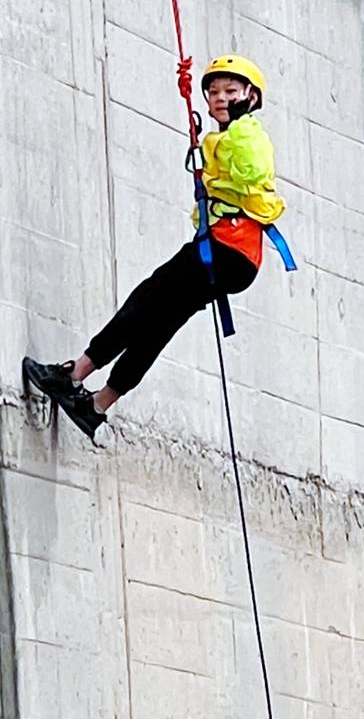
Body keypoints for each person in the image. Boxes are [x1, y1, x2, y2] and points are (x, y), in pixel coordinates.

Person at [26, 57, 284, 440]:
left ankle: (75, 373)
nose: (219, 98)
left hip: (228, 247)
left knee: (146, 301)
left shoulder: (249, 136)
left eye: (231, 91)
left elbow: (250, 170)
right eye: (213, 92)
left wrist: (235, 126)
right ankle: (96, 406)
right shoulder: (228, 137)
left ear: (251, 97)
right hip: (231, 252)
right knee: (159, 323)